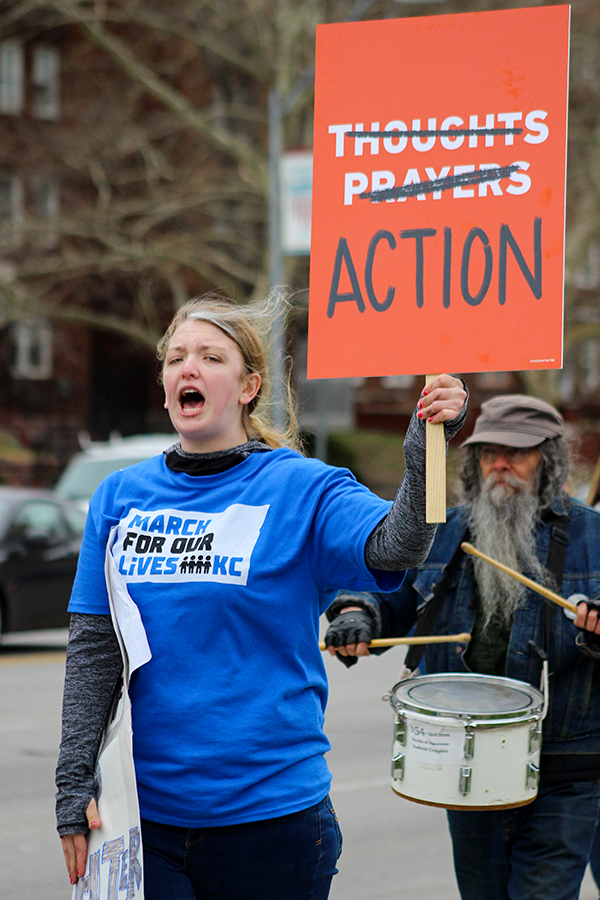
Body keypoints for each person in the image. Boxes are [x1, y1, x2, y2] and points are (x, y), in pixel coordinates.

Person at [55, 292, 467, 900]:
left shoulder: (302, 487)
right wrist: (73, 787)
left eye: (210, 358)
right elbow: (93, 651)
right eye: (176, 359)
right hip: (146, 822)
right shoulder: (119, 497)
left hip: (273, 824)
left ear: (249, 385)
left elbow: (398, 546)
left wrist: (427, 446)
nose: (187, 369)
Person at [325, 393, 600, 900]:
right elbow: (387, 594)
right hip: (464, 761)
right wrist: (355, 616)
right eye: (488, 451)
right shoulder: (444, 531)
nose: (500, 464)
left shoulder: (593, 536)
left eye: (516, 452)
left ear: (550, 460)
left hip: (564, 768)